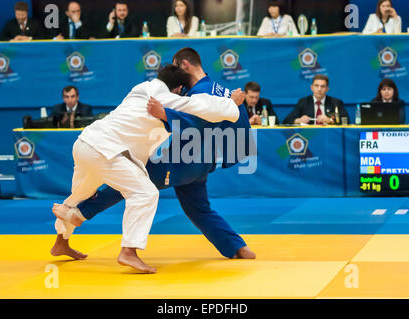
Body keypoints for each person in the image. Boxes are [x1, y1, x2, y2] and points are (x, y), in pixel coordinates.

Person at [51, 47, 257, 262]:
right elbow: (240, 123)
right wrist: (230, 156)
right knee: (197, 208)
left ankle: (80, 214)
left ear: (184, 66)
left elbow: (195, 121)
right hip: (201, 163)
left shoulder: (198, 92)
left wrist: (165, 114)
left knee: (130, 183)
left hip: (182, 161)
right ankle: (237, 247)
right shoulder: (222, 90)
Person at [283, 74, 349, 125]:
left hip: (329, 136)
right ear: (312, 88)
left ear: (327, 89)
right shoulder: (303, 102)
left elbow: (346, 120)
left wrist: (330, 120)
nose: (319, 89)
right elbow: (286, 121)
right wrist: (298, 120)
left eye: (322, 86)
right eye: (316, 86)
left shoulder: (335, 102)